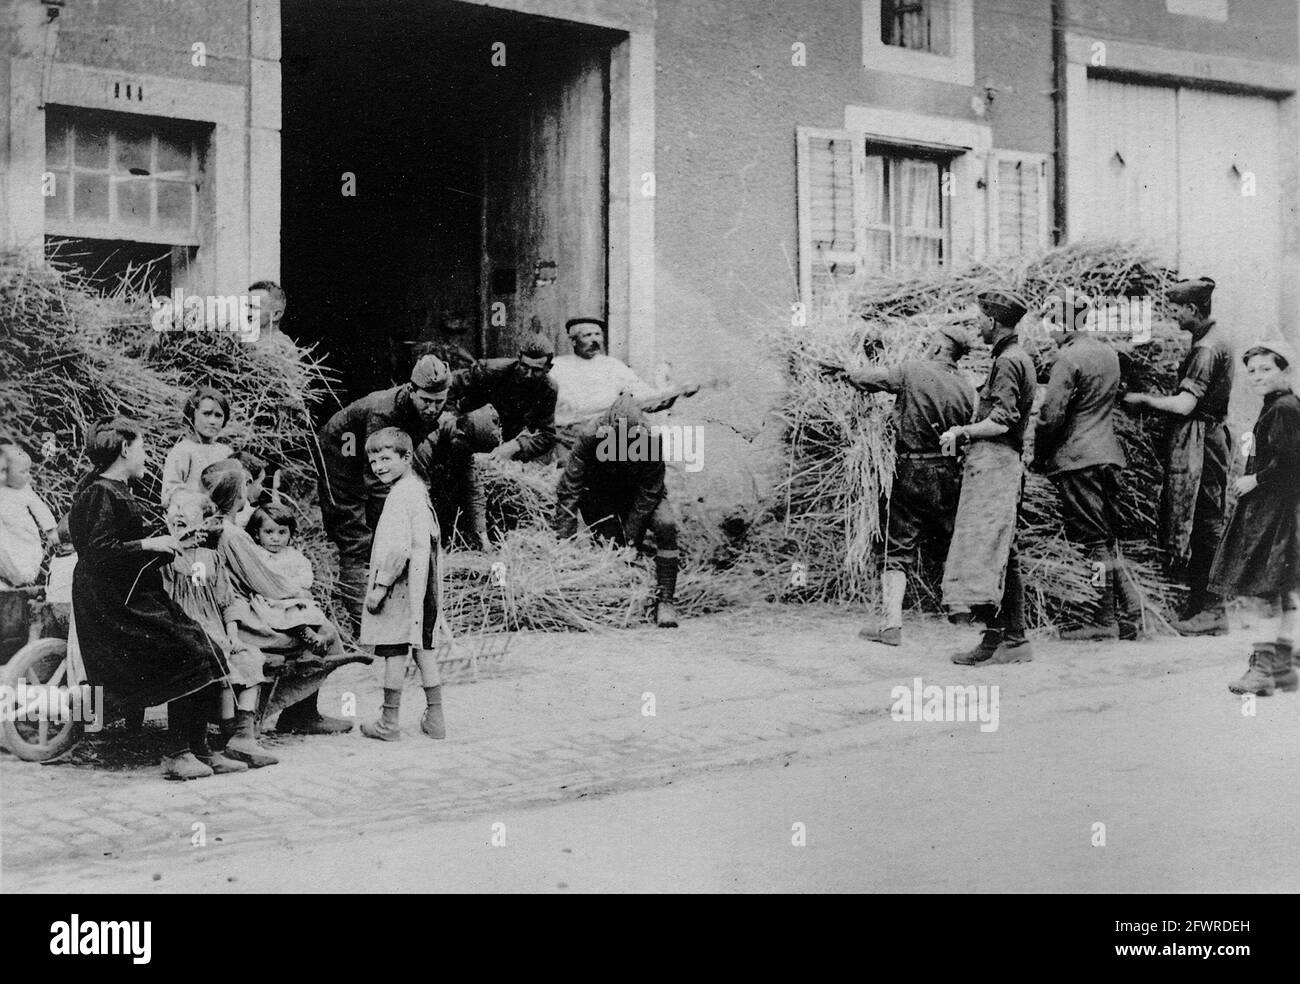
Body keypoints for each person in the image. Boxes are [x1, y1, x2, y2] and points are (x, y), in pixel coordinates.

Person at [67, 418, 231, 781]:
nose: (147, 455)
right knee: (185, 651)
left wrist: (170, 543)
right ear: (125, 449)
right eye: (142, 447)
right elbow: (99, 554)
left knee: (205, 645)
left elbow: (123, 547)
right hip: (113, 604)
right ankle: (177, 754)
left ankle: (201, 748)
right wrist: (151, 544)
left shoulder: (119, 491)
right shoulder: (100, 493)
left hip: (135, 594)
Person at [832, 326, 977, 647]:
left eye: (931, 343)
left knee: (897, 544)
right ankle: (960, 610)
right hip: (950, 471)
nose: (926, 346)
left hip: (913, 469)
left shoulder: (913, 371)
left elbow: (873, 379)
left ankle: (891, 625)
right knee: (950, 538)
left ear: (940, 347)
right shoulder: (967, 388)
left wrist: (848, 373)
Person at [203, 460, 355, 737]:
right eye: (252, 483)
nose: (257, 488)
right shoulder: (233, 534)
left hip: (238, 608)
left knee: (315, 625)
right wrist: (296, 591)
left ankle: (300, 713)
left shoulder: (222, 526)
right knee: (326, 632)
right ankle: (296, 713)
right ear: (239, 492)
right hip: (244, 616)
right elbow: (264, 581)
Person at [1123, 277, 1232, 635]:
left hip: (1202, 439)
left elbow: (1185, 404)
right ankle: (1202, 605)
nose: (1171, 315)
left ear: (1191, 309)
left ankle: (1214, 610)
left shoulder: (1205, 350)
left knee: (1205, 523)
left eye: (1175, 308)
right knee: (1203, 519)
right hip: (1208, 435)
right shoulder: (1211, 339)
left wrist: (1145, 401)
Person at [1035, 294, 1142, 640]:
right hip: (1109, 456)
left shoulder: (1067, 357)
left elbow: (1051, 416)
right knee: (1107, 540)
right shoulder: (1108, 353)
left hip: (1079, 460)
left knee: (1094, 542)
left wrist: (1039, 455)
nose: (1049, 330)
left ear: (1065, 324)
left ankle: (1102, 617)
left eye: (1052, 322)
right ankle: (1131, 611)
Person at [317, 355, 452, 628]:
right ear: (411, 390)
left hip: (372, 454)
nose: (432, 408)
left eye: (439, 402)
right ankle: (364, 623)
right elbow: (379, 478)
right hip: (342, 451)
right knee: (355, 536)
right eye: (426, 401)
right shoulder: (384, 413)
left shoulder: (430, 409)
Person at [940, 290, 1037, 665]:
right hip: (999, 463)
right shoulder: (1014, 357)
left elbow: (1002, 420)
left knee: (994, 550)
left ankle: (1008, 639)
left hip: (997, 464)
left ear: (993, 322)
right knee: (999, 550)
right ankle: (1006, 638)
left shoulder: (1009, 362)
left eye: (980, 318)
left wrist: (962, 432)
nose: (977, 324)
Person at [1207, 343, 1300, 696]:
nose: (1257, 376)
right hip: (1277, 510)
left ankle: (1262, 672)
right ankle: (1278, 670)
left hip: (1276, 513)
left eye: (1266, 369)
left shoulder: (1284, 409)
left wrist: (1254, 480)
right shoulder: (1279, 406)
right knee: (1280, 591)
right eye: (1252, 371)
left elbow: (1292, 462)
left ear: (1284, 371)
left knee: (1265, 592)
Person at [160, 490, 265, 773]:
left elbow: (227, 603)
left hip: (214, 628)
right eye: (174, 508)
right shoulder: (164, 558)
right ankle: (200, 748)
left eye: (187, 508)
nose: (179, 513)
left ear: (205, 521)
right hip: (181, 628)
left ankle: (240, 737)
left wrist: (233, 635)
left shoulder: (211, 558)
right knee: (203, 659)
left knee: (248, 657)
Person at [554, 397, 682, 627]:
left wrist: (631, 537)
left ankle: (666, 601)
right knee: (611, 550)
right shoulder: (589, 436)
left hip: (642, 496)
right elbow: (570, 488)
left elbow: (649, 492)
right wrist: (565, 541)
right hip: (604, 498)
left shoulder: (651, 439)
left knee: (666, 524)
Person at [358, 428, 446, 741]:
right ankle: (436, 719)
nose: (379, 466)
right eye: (373, 460)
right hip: (424, 586)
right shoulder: (417, 490)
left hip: (401, 587)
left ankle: (388, 723)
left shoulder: (399, 497)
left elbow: (397, 550)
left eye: (386, 458)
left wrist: (380, 587)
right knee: (423, 649)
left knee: (393, 650)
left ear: (406, 457)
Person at [549, 318, 697, 457]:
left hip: (604, 439)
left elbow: (644, 397)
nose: (595, 340)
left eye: (598, 334)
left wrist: (676, 391)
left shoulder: (612, 366)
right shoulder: (558, 367)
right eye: (587, 335)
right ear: (574, 341)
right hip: (566, 439)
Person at [448, 333, 558, 463]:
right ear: (518, 359)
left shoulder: (548, 389)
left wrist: (517, 445)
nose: (528, 374)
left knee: (545, 460)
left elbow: (547, 436)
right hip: (472, 430)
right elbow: (448, 386)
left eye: (536, 370)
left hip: (507, 441)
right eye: (524, 366)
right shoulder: (491, 370)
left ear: (548, 368)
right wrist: (451, 423)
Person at [245, 500, 336, 655]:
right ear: (257, 533)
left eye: (282, 532)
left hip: (292, 596)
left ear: (290, 533)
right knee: (288, 611)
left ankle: (315, 640)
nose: (275, 538)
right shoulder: (258, 554)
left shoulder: (292, 555)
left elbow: (305, 574)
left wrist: (296, 586)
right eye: (269, 532)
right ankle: (309, 636)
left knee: (304, 609)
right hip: (270, 599)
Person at [416, 404, 502, 550]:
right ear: (460, 436)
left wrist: (483, 538)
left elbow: (473, 490)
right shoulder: (425, 440)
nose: (468, 454)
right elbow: (417, 495)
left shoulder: (461, 441)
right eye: (467, 448)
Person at [161, 386, 234, 506]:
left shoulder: (226, 452)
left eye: (218, 415)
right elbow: (169, 492)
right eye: (206, 414)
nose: (213, 421)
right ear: (192, 415)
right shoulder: (184, 450)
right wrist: (198, 501)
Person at [0, 443, 58, 589]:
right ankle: (11, 578)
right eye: (22, 472)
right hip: (6, 535)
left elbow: (39, 508)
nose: (28, 476)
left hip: (24, 533)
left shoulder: (24, 490)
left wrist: (50, 529)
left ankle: (25, 577)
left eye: (28, 471)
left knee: (29, 553)